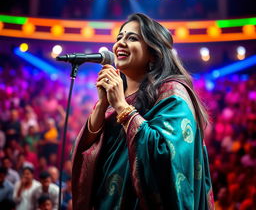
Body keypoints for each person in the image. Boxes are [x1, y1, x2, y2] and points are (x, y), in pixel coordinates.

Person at [72, 13, 214, 209]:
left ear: (153, 53)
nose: (120, 43)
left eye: (132, 38)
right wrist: (103, 105)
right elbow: (85, 155)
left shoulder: (172, 93)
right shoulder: (114, 96)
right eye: (119, 37)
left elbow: (166, 158)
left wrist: (123, 108)